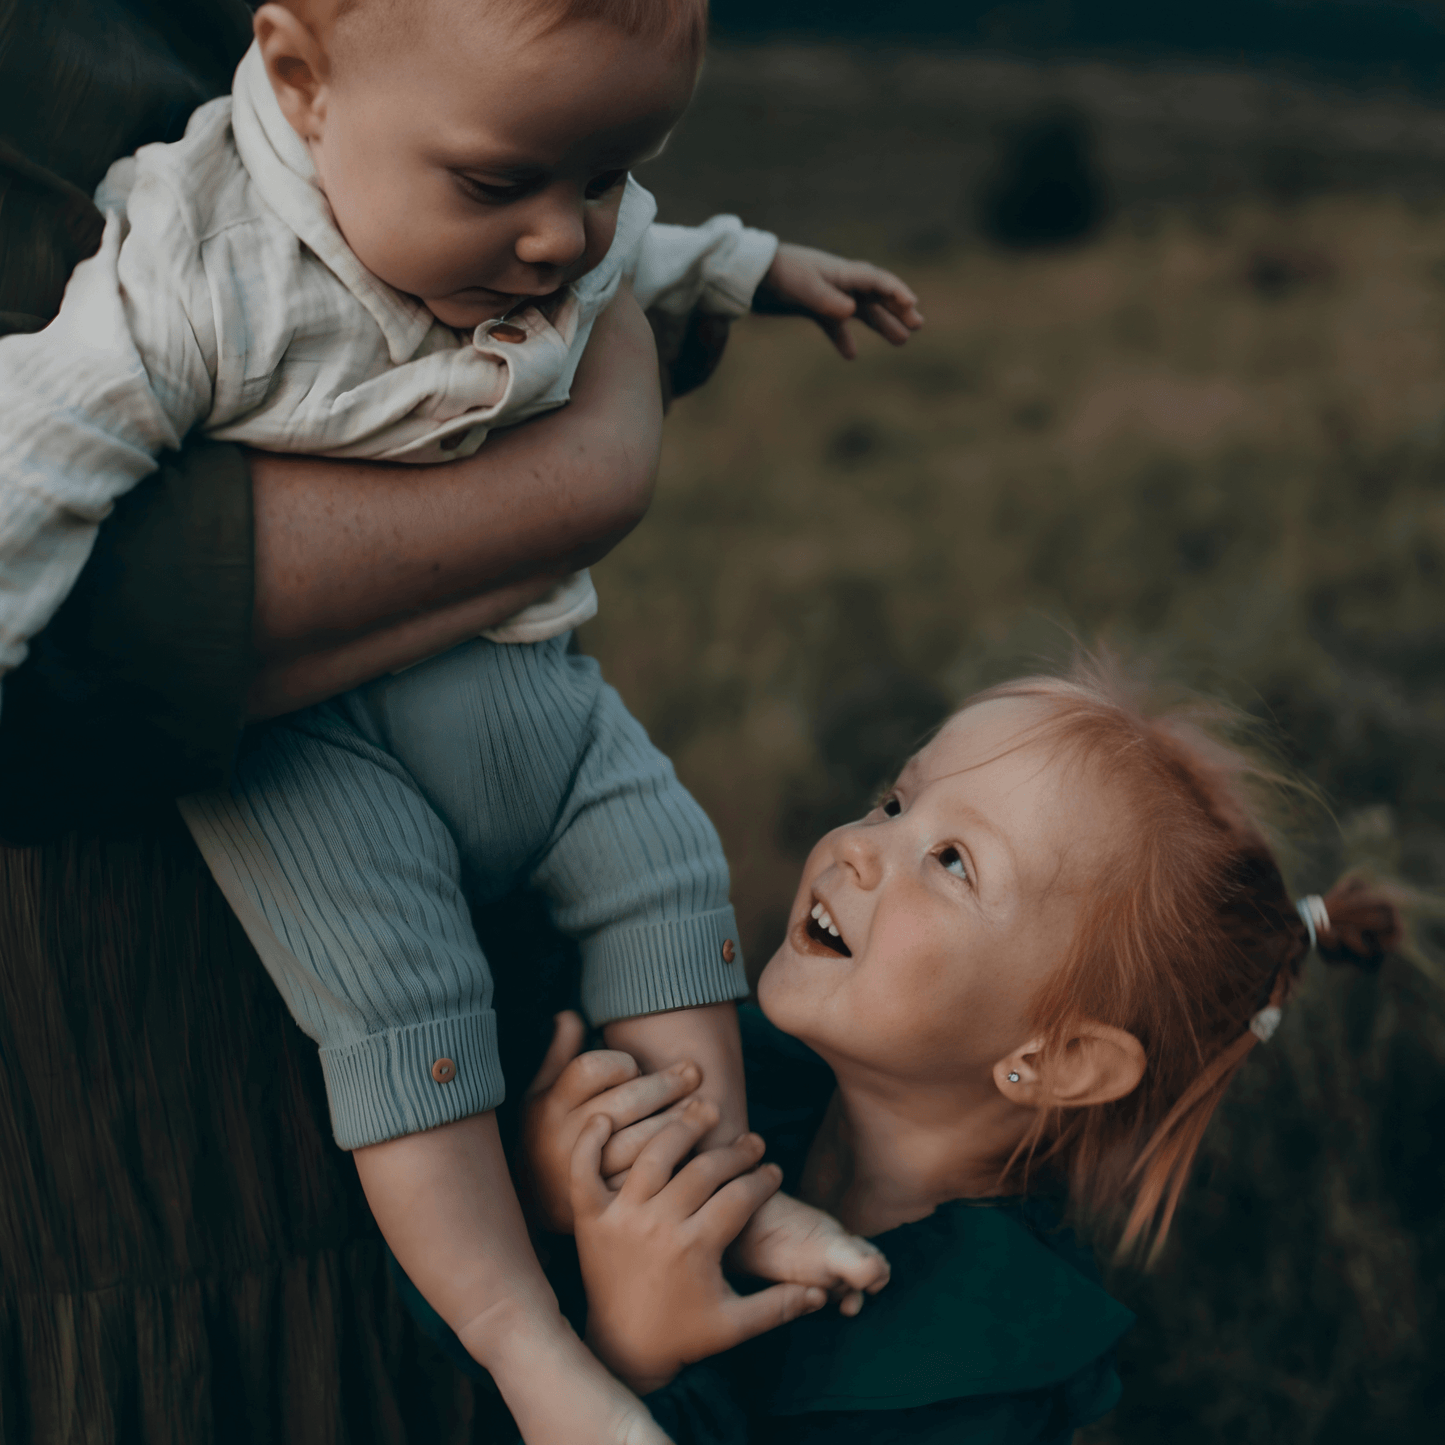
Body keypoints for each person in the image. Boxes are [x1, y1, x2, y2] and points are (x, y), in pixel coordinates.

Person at [2, 1, 918, 1437]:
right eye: (500, 190)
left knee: (665, 876)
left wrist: (749, 268)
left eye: (599, 176)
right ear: (301, 87)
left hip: (520, 685)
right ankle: (525, 1349)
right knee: (403, 1011)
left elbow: (633, 244)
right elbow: (44, 447)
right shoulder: (197, 266)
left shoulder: (516, 177)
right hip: (304, 750)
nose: (558, 240)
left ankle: (722, 1199)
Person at [515, 657, 1406, 1442]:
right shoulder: (746, 1078)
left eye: (950, 861)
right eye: (894, 801)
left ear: (1059, 1060)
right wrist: (553, 1184)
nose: (860, 847)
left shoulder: (973, 1372)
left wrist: (637, 1360)